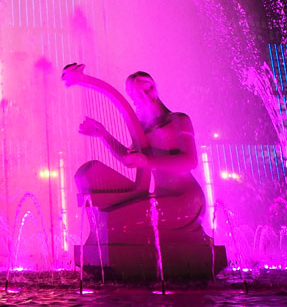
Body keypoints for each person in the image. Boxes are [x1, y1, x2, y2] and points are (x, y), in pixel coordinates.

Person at [77, 71, 205, 237]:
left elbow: (190, 162)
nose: (140, 97)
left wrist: (147, 161)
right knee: (106, 218)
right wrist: (103, 134)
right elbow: (129, 160)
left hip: (186, 200)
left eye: (146, 89)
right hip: (159, 199)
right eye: (134, 94)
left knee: (113, 222)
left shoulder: (179, 120)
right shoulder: (144, 129)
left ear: (153, 88)